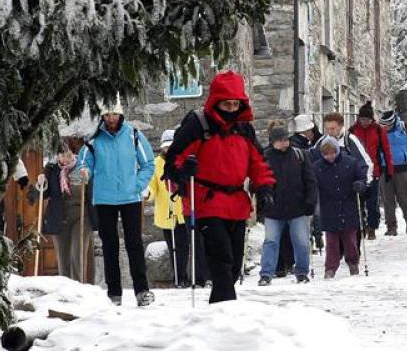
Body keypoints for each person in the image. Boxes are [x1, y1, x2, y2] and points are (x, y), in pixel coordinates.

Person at [164, 70, 276, 303]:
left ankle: (219, 307)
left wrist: (264, 189)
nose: (232, 109)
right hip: (207, 200)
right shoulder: (197, 124)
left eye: (236, 104)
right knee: (221, 257)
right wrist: (185, 169)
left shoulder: (244, 128)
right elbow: (174, 158)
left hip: (236, 203)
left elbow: (258, 163)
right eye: (227, 105)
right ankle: (227, 308)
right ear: (216, 102)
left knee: (234, 264)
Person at [77, 99, 155, 306]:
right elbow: (83, 165)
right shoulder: (94, 139)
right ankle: (114, 293)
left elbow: (148, 164)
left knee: (134, 244)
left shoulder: (134, 135)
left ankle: (142, 290)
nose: (111, 119)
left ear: (121, 115)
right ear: (102, 116)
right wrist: (84, 172)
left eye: (114, 114)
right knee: (109, 246)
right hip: (104, 199)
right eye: (107, 115)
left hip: (130, 197)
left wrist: (137, 185)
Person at [147, 129, 207, 288]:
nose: (168, 149)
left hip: (186, 210)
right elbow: (152, 186)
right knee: (177, 247)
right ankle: (180, 278)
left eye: (171, 146)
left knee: (196, 244)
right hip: (168, 214)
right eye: (166, 147)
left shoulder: (185, 161)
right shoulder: (156, 164)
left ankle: (201, 277)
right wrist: (148, 194)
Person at [258, 125, 317, 285]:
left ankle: (302, 272)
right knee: (271, 242)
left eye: (286, 139)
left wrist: (311, 201)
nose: (285, 143)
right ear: (273, 142)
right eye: (281, 140)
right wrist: (263, 198)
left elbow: (310, 181)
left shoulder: (299, 155)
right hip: (273, 210)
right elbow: (260, 181)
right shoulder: (265, 157)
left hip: (297, 208)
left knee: (302, 242)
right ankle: (266, 274)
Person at [33, 136, 95, 283]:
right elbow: (41, 194)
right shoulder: (51, 169)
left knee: (77, 253)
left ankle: (78, 288)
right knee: (63, 257)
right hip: (59, 216)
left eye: (68, 155)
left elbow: (93, 192)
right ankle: (65, 291)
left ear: (73, 154)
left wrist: (87, 179)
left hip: (81, 216)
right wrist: (41, 183)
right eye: (61, 155)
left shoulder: (82, 167)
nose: (65, 159)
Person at [311, 136, 367, 278]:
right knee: (332, 241)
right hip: (329, 207)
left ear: (337, 151)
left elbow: (362, 177)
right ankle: (330, 268)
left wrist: (360, 184)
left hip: (348, 205)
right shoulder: (317, 168)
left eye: (332, 153)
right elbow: (311, 184)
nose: (330, 156)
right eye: (326, 154)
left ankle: (353, 263)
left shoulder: (351, 163)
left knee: (350, 239)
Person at [348, 102, 394, 240]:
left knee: (372, 203)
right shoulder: (352, 131)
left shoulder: (379, 130)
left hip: (374, 171)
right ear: (358, 118)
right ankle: (360, 227)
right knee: (358, 203)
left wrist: (389, 170)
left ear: (372, 119)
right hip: (357, 173)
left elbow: (386, 150)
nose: (365, 122)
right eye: (362, 119)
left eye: (367, 120)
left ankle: (372, 227)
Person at [379, 110, 407, 235]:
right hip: (385, 169)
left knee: (405, 198)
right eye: (383, 125)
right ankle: (391, 227)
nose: (384, 128)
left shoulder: (405, 128)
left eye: (386, 125)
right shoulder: (378, 132)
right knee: (388, 200)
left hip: (402, 169)